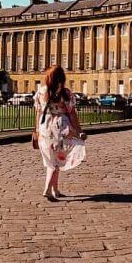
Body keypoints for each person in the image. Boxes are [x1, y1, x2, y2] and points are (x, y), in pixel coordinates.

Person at [34, 65, 86, 201]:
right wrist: (79, 131)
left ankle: (55, 190)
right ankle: (47, 189)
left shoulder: (41, 91)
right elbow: (72, 114)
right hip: (60, 128)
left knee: (51, 158)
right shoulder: (65, 93)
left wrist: (37, 130)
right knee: (56, 160)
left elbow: (38, 113)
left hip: (45, 127)